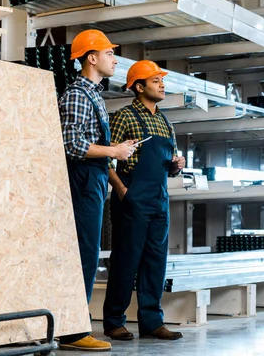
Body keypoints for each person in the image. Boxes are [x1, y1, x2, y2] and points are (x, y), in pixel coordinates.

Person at [58, 29, 138, 352]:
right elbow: (72, 143)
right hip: (82, 180)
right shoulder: (78, 94)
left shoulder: (94, 95)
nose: (114, 58)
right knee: (84, 254)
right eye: (108, 53)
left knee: (89, 253)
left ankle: (75, 323)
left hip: (93, 181)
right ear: (91, 58)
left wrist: (115, 153)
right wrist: (114, 152)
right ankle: (73, 330)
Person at [103, 60, 186, 341]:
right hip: (132, 200)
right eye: (155, 81)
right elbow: (106, 158)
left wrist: (177, 165)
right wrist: (123, 191)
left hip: (159, 201)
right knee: (127, 261)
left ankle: (152, 322)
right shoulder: (124, 117)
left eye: (161, 81)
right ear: (139, 87)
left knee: (155, 263)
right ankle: (114, 321)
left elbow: (168, 163)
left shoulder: (165, 121)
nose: (162, 85)